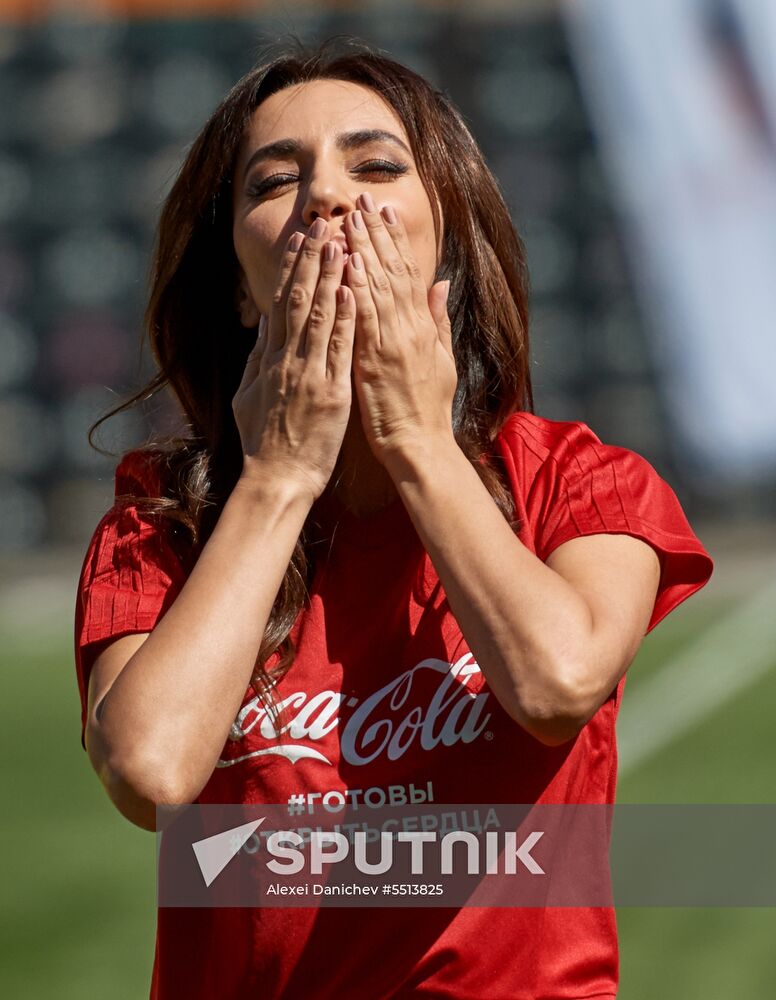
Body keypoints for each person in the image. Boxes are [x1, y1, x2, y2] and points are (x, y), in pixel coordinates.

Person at [73, 39, 713, 1000]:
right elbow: (150, 770)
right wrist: (278, 478)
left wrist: (417, 438)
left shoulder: (579, 482)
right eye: (275, 181)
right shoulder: (159, 523)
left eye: (375, 165)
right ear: (244, 292)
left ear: (443, 242)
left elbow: (554, 682)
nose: (329, 198)